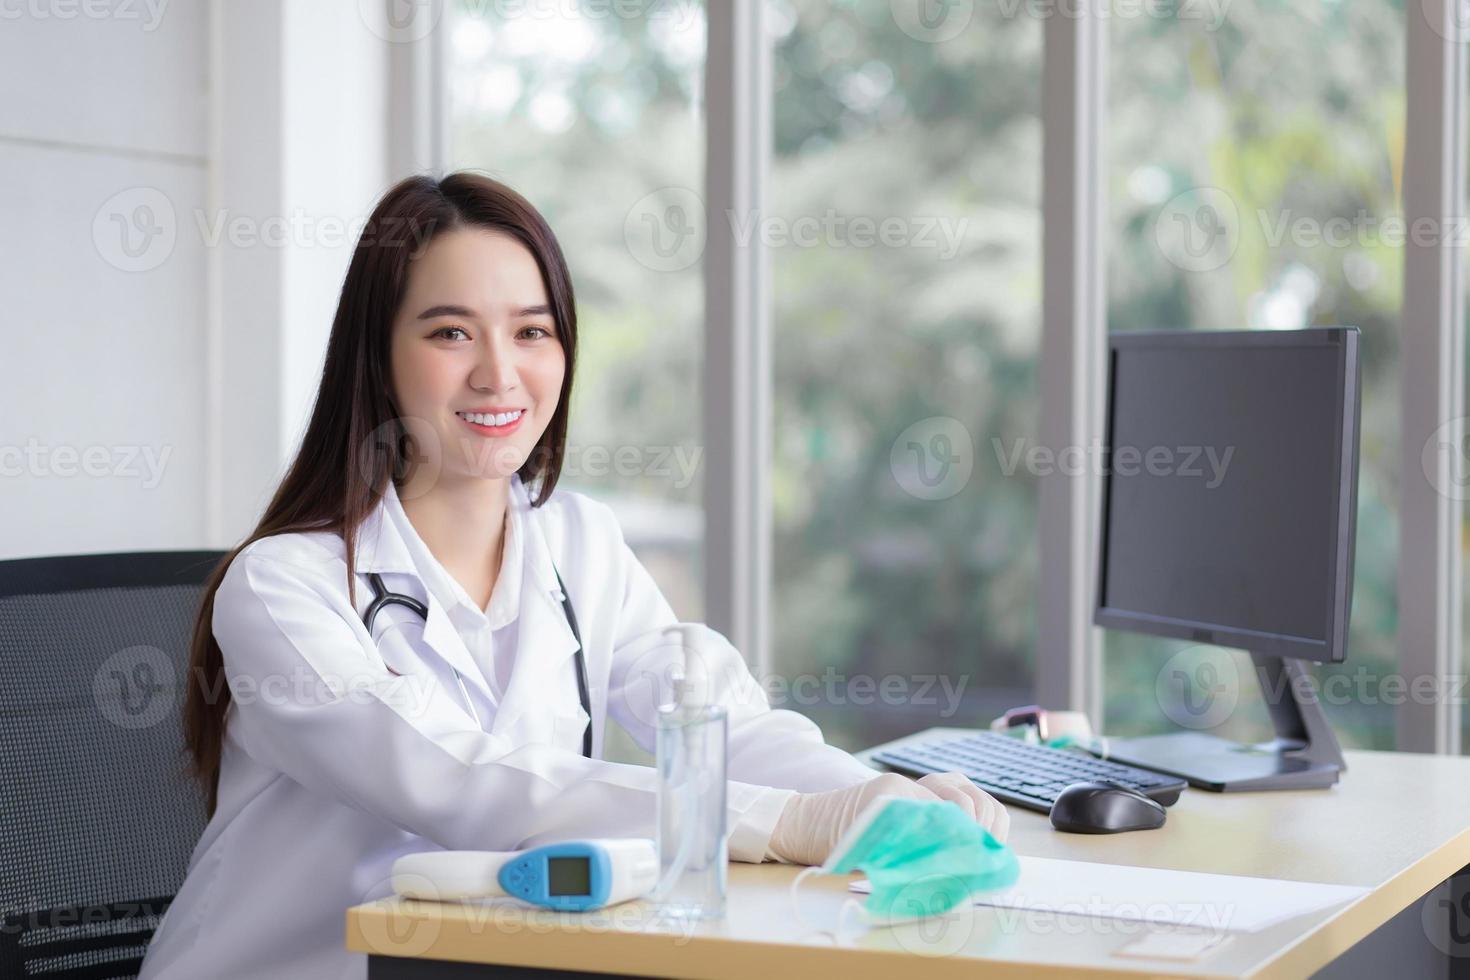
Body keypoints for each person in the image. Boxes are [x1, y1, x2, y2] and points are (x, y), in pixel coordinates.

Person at [138, 172, 1008, 979]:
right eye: (450, 332)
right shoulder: (283, 588)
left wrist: (868, 795)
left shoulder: (580, 543)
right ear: (379, 352)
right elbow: (460, 780)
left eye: (531, 331)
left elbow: (713, 719)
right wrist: (788, 827)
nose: (498, 372)